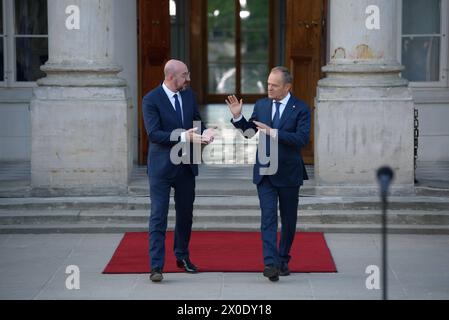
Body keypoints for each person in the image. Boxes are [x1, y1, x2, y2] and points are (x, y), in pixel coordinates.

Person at [226, 66, 310, 282]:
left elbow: (301, 139)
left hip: (289, 173)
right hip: (265, 172)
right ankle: (270, 263)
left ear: (287, 87)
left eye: (274, 85)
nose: (269, 88)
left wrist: (273, 132)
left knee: (289, 220)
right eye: (268, 84)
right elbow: (249, 133)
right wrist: (238, 118)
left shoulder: (300, 107)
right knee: (269, 217)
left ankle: (283, 259)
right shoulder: (262, 105)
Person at [142, 59, 214, 282]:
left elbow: (196, 122)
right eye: (185, 75)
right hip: (161, 168)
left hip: (186, 165)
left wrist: (205, 134)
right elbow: (154, 134)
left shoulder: (188, 95)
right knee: (158, 216)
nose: (188, 79)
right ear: (171, 76)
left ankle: (182, 257)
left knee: (185, 215)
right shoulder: (151, 99)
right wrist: (184, 136)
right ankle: (156, 267)